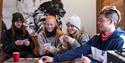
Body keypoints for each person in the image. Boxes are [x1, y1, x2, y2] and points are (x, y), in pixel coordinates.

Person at [41, 6, 125, 63]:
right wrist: (53, 59)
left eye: (101, 20)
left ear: (110, 21)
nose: (98, 23)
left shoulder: (120, 40)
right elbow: (78, 51)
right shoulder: (96, 38)